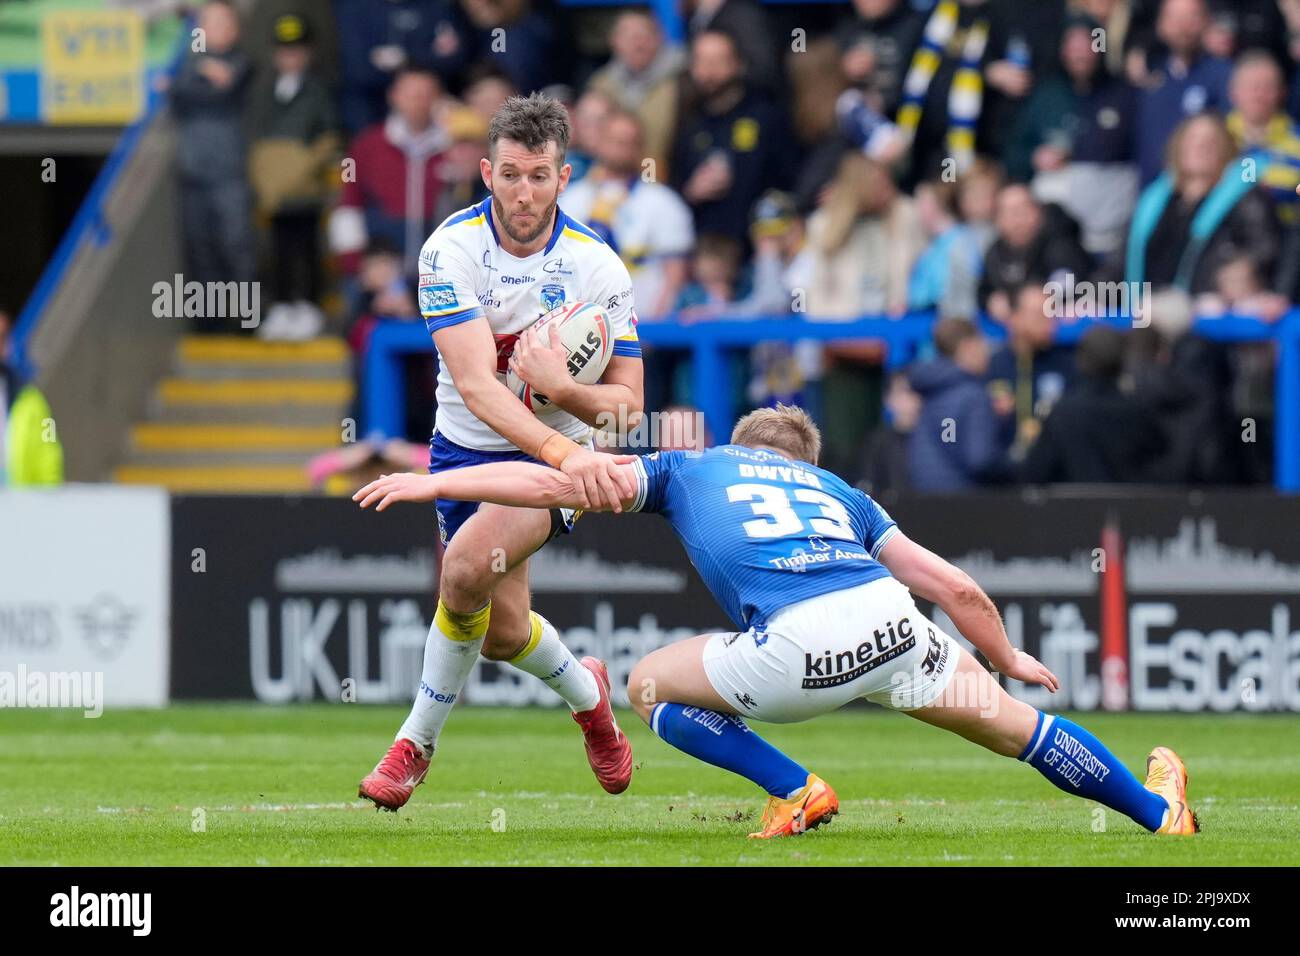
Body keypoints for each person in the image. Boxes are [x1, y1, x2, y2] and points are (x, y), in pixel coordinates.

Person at [355, 404, 1199, 839]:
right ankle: (1159, 816)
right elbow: (955, 587)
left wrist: (438, 486)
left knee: (651, 686)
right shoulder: (842, 493)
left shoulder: (690, 464)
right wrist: (1005, 654)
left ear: (743, 443)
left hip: (799, 650)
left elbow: (559, 484)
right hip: (895, 625)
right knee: (1021, 727)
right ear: (804, 462)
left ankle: (795, 789)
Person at [356, 93, 645, 812]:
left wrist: (566, 404)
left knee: (461, 571)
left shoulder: (598, 269)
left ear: (564, 175)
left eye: (539, 176)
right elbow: (480, 388)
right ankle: (591, 697)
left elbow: (628, 407)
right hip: (466, 451)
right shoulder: (448, 251)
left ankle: (413, 746)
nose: (524, 192)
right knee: (501, 632)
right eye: (511, 175)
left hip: (555, 467)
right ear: (486, 171)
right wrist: (560, 437)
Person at [248, 14, 340, 341]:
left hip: (305, 188)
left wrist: (304, 164)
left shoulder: (318, 89)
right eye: (285, 50)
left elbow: (329, 134)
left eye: (297, 50)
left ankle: (309, 305)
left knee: (308, 248)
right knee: (279, 248)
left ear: (308, 52)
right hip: (275, 190)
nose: (291, 57)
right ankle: (284, 304)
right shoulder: (266, 90)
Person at [168, 0, 255, 330]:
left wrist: (196, 80)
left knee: (235, 244)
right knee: (199, 247)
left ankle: (247, 319)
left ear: (234, 28)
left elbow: (218, 92)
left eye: (221, 22)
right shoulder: (190, 63)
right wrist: (200, 75)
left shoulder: (243, 63)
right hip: (192, 170)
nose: (213, 29)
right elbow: (177, 92)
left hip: (228, 170)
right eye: (207, 22)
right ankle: (208, 321)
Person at [560, 109, 694, 319]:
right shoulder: (569, 199)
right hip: (577, 326)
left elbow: (675, 274)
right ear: (600, 140)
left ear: (640, 148)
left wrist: (654, 329)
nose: (620, 147)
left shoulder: (663, 202)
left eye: (628, 141)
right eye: (614, 139)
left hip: (644, 328)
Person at [1020, 324, 1167, 483]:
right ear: (1123, 361)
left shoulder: (1062, 413)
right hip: (1131, 506)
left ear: (1080, 361)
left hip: (1075, 505)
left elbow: (1036, 471)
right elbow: (1163, 466)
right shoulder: (1141, 411)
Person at [906, 317, 1002, 491]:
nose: (986, 351)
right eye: (982, 343)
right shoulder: (974, 396)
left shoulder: (931, 389)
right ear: (968, 346)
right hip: (962, 503)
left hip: (923, 497)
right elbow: (980, 460)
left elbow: (949, 439)